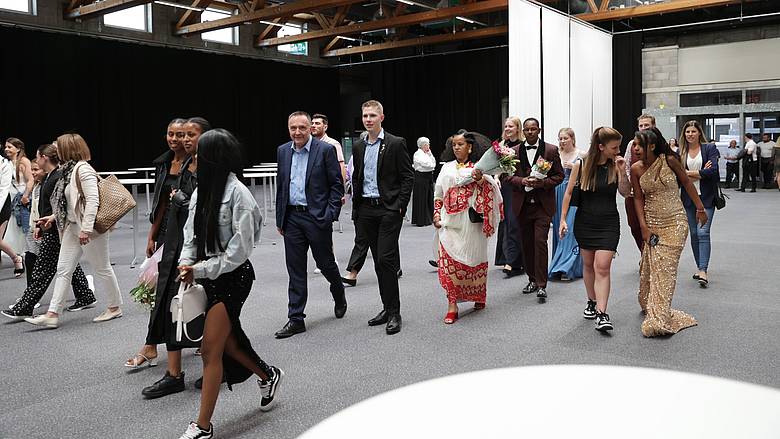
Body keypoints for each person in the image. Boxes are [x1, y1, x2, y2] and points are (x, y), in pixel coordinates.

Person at [140, 117, 210, 397]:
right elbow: (165, 203)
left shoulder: (212, 167)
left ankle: (218, 365)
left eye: (191, 135)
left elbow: (212, 211)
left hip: (199, 246)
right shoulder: (183, 164)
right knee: (170, 302)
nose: (184, 139)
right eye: (182, 135)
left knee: (207, 305)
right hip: (174, 243)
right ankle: (173, 373)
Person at [25, 133, 123, 329]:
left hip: (89, 228)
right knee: (63, 269)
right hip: (72, 226)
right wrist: (53, 217)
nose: (55, 149)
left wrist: (86, 229)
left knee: (102, 268)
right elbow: (70, 203)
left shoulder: (83, 169)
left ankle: (114, 307)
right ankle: (53, 313)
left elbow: (92, 201)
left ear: (67, 149)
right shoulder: (68, 170)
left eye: (58, 146)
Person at [1, 144, 96, 320]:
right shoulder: (51, 177)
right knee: (67, 265)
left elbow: (60, 206)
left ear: (44, 158)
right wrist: (40, 225)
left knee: (42, 270)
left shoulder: (56, 177)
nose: (36, 162)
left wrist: (47, 225)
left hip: (55, 230)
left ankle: (25, 307)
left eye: (38, 158)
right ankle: (85, 295)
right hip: (53, 228)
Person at [274, 111, 346, 339]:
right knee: (295, 269)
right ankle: (296, 318)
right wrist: (280, 218)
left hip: (316, 218)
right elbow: (282, 186)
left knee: (325, 263)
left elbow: (336, 185)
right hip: (292, 218)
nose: (297, 132)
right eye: (293, 128)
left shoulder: (324, 150)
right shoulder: (283, 151)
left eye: (302, 128)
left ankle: (338, 291)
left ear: (310, 128)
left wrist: (330, 214)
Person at [125, 118, 188, 369]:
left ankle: (198, 334)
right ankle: (150, 345)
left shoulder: (196, 163)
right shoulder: (163, 164)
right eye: (170, 134)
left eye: (180, 134)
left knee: (190, 287)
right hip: (165, 232)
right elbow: (161, 203)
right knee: (160, 289)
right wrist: (152, 235)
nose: (174, 139)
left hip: (188, 233)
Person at [631, 128, 703, 337]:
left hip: (675, 222)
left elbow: (687, 182)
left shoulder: (669, 161)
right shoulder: (636, 168)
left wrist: (700, 208)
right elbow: (638, 198)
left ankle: (659, 317)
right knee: (651, 268)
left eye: (639, 145)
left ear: (652, 146)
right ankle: (651, 302)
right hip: (652, 223)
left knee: (665, 269)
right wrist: (643, 227)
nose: (635, 149)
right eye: (634, 144)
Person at [350, 100, 413, 335]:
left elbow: (407, 176)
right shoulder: (359, 146)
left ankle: (395, 312)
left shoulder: (395, 143)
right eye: (365, 116)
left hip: (388, 209)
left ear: (381, 118)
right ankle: (387, 308)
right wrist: (356, 209)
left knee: (386, 259)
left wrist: (400, 206)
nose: (368, 119)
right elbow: (357, 177)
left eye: (372, 116)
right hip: (366, 210)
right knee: (378, 262)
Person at [559, 127, 630, 331]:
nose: (618, 151)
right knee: (588, 265)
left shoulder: (615, 165)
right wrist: (563, 219)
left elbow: (625, 192)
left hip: (609, 223)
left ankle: (602, 313)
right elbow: (569, 193)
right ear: (600, 147)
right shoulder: (581, 165)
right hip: (585, 222)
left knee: (603, 267)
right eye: (614, 147)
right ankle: (591, 300)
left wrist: (622, 172)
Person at [433, 130, 502, 324]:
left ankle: (478, 294)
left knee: (473, 258)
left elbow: (492, 191)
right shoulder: (446, 167)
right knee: (448, 261)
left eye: (461, 144)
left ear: (470, 147)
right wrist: (436, 213)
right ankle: (452, 305)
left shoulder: (479, 168)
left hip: (470, 223)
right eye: (454, 144)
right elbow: (438, 193)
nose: (456, 147)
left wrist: (479, 179)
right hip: (448, 221)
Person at [501, 118, 563, 300]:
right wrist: (522, 181)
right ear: (523, 131)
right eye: (527, 129)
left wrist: (542, 183)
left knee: (540, 242)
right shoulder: (513, 152)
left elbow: (559, 176)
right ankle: (532, 279)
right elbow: (505, 176)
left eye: (533, 129)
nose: (530, 132)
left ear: (539, 130)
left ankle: (542, 284)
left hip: (543, 206)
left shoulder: (551, 150)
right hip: (522, 206)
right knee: (527, 244)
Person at [679, 120, 719, 288]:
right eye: (688, 132)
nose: (690, 134)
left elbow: (713, 171)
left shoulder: (709, 148)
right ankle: (699, 266)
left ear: (699, 133)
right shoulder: (680, 152)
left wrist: (688, 173)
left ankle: (703, 270)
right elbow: (677, 176)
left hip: (706, 197)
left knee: (703, 232)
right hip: (689, 198)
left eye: (693, 131)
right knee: (694, 233)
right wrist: (701, 172)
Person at [548, 127, 584, 281]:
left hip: (573, 192)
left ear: (572, 139)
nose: (562, 141)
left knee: (570, 229)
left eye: (565, 138)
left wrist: (575, 168)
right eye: (560, 138)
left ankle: (567, 267)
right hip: (557, 192)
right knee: (558, 228)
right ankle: (558, 264)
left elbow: (587, 175)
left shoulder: (581, 154)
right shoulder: (556, 154)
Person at [494, 116, 525, 278]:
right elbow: (498, 167)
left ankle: (514, 262)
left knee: (514, 222)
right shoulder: (502, 145)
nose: (507, 129)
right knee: (505, 222)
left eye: (510, 126)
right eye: (506, 126)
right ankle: (506, 258)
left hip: (517, 186)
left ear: (518, 128)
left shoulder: (523, 145)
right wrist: (496, 177)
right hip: (505, 186)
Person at [622, 115, 656, 253]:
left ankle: (653, 256)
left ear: (653, 126)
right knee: (635, 226)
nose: (643, 128)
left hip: (653, 194)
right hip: (633, 193)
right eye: (641, 125)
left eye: (646, 125)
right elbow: (626, 165)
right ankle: (644, 254)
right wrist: (631, 184)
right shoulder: (632, 144)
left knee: (653, 226)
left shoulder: (659, 143)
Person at [1, 138, 29, 277]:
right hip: (10, 199)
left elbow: (30, 180)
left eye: (10, 147)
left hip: (12, 201)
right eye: (6, 147)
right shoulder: (7, 162)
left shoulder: (20, 162)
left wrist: (26, 195)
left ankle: (18, 257)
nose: (7, 149)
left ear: (18, 149)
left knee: (23, 231)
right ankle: (17, 257)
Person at [311, 113, 346, 183]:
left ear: (325, 127)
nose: (313, 126)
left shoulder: (333, 144)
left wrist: (342, 186)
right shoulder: (309, 144)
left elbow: (341, 166)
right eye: (312, 123)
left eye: (317, 123)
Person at [411, 136, 436, 226]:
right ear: (422, 145)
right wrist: (431, 164)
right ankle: (421, 220)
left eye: (428, 144)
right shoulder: (418, 154)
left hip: (429, 176)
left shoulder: (428, 153)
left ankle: (429, 217)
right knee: (422, 198)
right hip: (421, 177)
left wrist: (430, 157)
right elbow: (427, 165)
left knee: (429, 196)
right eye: (426, 145)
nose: (428, 146)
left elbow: (433, 163)